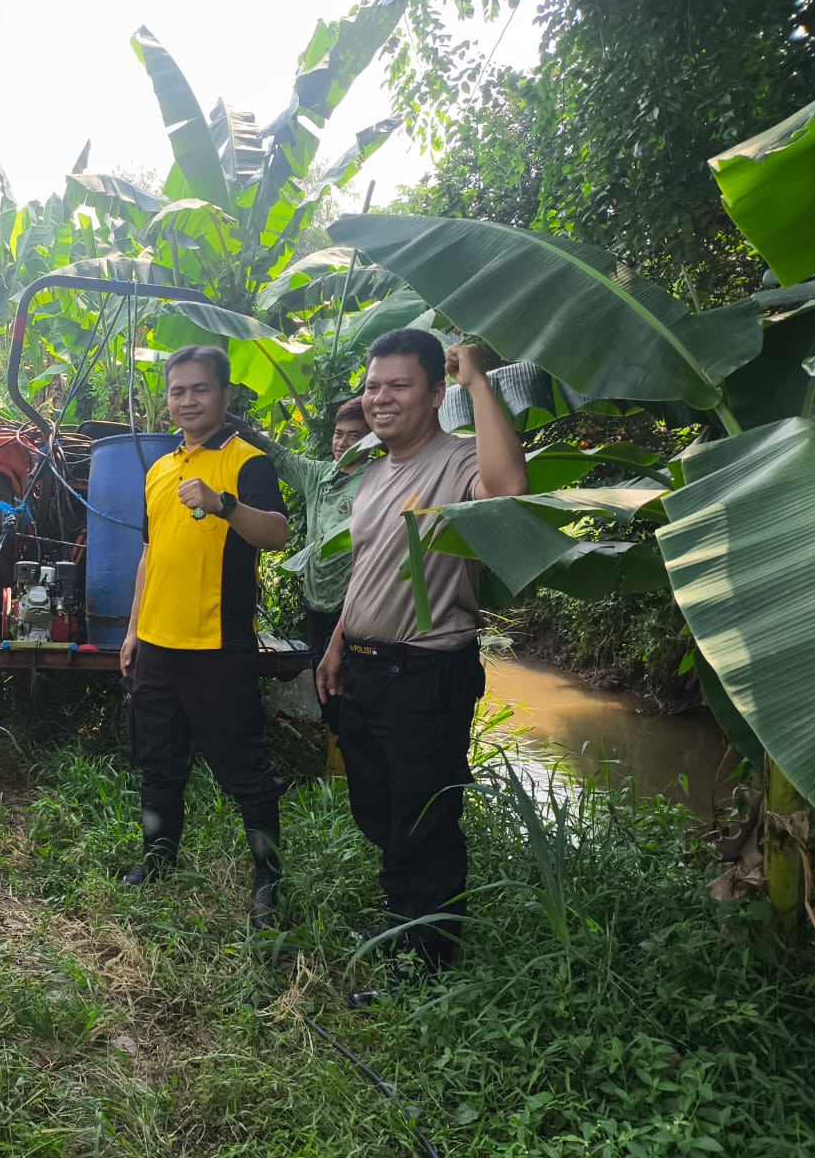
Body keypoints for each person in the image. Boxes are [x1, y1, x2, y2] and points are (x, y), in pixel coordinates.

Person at [315, 329, 527, 990]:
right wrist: (338, 641)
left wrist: (478, 382)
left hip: (425, 671)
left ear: (436, 393)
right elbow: (369, 568)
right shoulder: (374, 471)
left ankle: (424, 965)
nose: (380, 398)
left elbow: (508, 488)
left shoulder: (458, 460)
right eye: (372, 386)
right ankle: (402, 921)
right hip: (366, 666)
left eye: (399, 385)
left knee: (424, 819)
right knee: (377, 806)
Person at [118, 345, 291, 928]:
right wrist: (133, 630)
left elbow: (277, 533)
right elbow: (151, 555)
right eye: (178, 391)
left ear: (225, 394)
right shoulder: (159, 469)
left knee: (246, 769)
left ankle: (268, 879)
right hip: (157, 645)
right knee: (158, 762)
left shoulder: (247, 462)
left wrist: (223, 505)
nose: (188, 400)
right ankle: (157, 859)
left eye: (200, 389)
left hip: (218, 644)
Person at [236, 398, 369, 702]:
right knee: (325, 686)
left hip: (351, 605)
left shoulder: (375, 481)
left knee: (348, 690)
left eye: (354, 436)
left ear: (371, 439)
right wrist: (233, 422)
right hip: (315, 602)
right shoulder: (320, 475)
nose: (342, 442)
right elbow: (280, 457)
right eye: (338, 433)